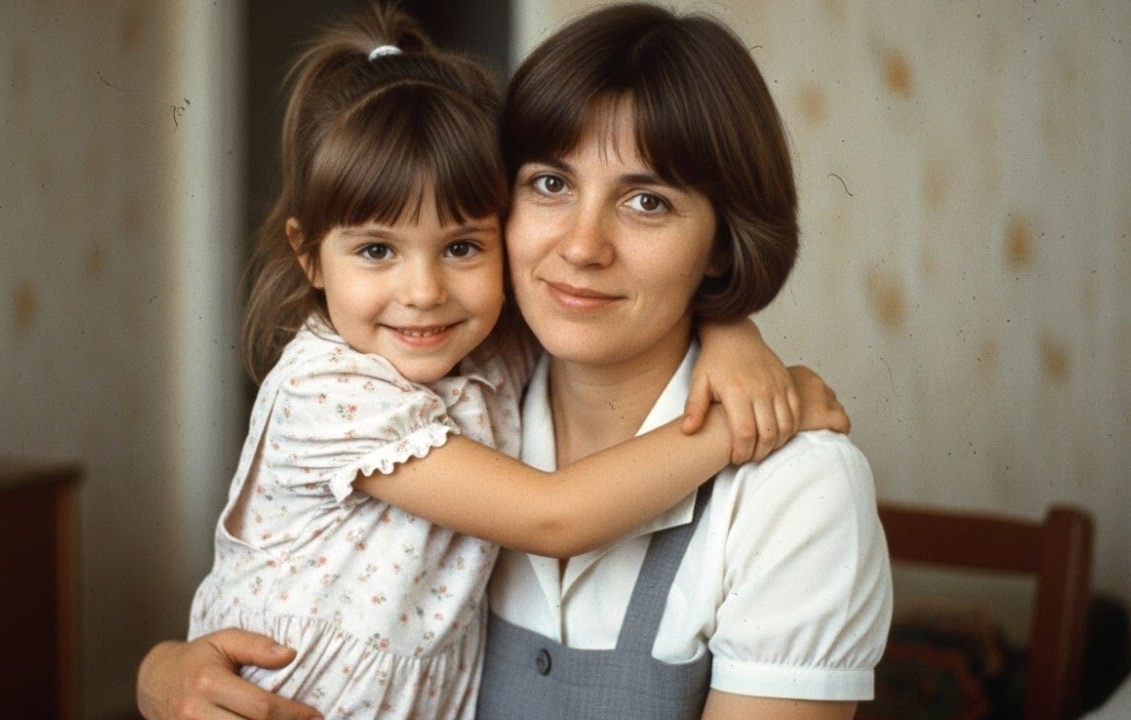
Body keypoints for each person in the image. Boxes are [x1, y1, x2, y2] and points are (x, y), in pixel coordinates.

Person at [137, 4, 879, 720]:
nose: (583, 247)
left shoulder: (799, 491)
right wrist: (159, 671)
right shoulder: (445, 376)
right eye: (550, 185)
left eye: (647, 201)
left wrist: (735, 333)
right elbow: (551, 516)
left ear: (723, 242)